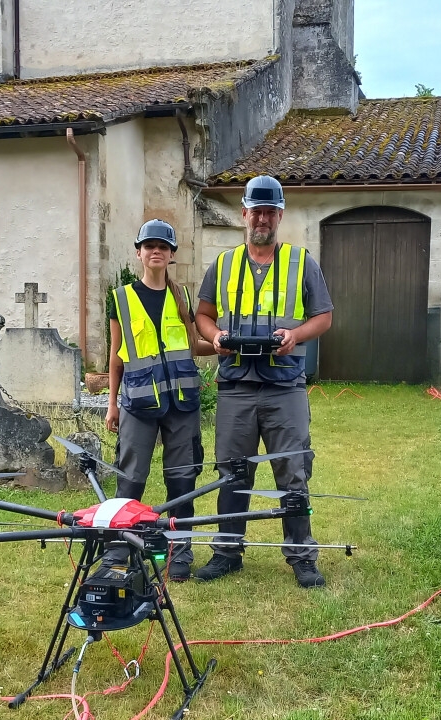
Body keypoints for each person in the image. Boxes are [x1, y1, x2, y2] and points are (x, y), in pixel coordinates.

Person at [192, 175, 334, 588]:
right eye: (256, 211)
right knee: (232, 472)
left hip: (284, 386)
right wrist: (215, 336)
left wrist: (296, 336)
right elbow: (203, 315)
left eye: (270, 212)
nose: (263, 219)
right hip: (236, 385)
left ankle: (302, 556)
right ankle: (226, 552)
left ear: (280, 216)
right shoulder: (223, 264)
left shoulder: (301, 262)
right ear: (244, 214)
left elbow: (323, 316)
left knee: (293, 471)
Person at [98, 219, 214, 581]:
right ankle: (120, 550)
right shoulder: (121, 298)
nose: (156, 251)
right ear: (139, 253)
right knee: (130, 480)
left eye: (163, 247)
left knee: (182, 480)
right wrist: (112, 403)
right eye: (149, 246)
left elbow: (194, 345)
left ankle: (180, 552)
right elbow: (116, 355)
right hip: (138, 405)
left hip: (182, 405)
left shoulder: (182, 297)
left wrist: (223, 346)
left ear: (171, 255)